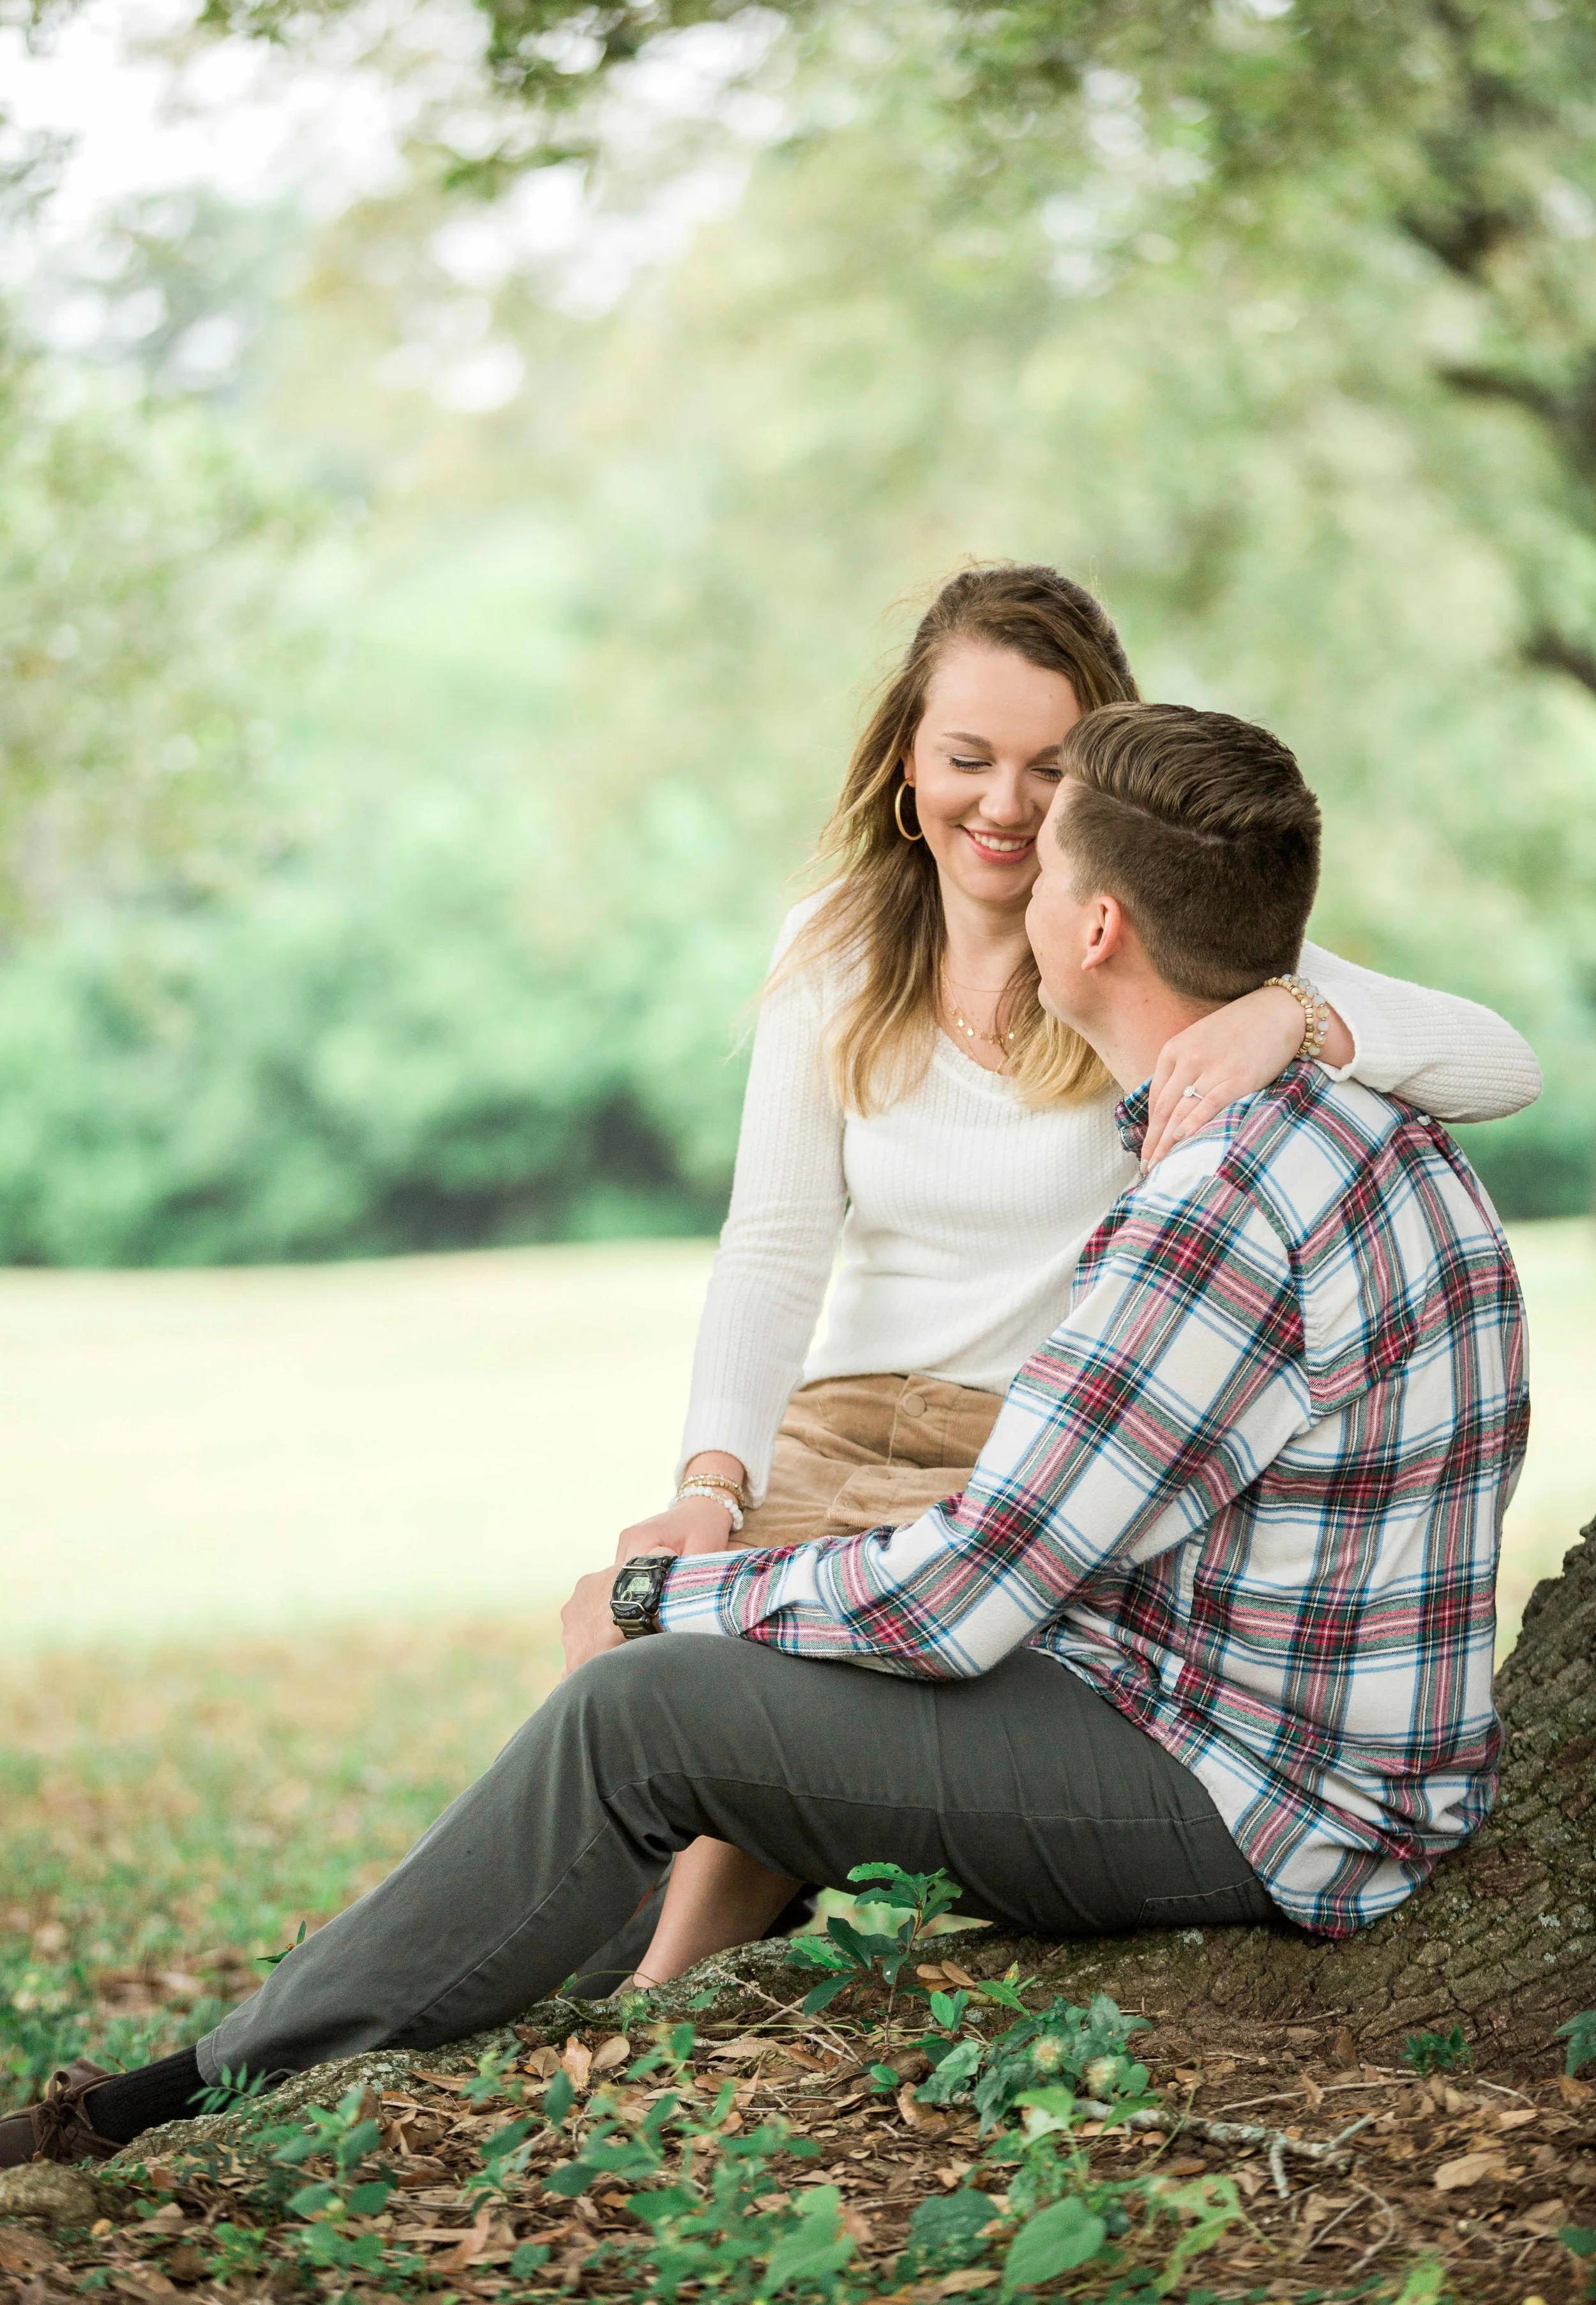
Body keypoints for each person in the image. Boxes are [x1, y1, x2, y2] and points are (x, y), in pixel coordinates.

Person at [2, 700, 1527, 2166]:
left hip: (1259, 1801)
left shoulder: (1201, 1211)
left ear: (1095, 928)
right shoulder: (1375, 1133)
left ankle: (200, 2088)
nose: (1020, 867)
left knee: (641, 1709)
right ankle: (453, 1994)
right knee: (712, 1682)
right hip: (1263, 1731)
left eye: (1050, 853)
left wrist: (655, 1593)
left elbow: (956, 1598)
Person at [609, 564, 1537, 1981]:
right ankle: (569, 1985)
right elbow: (774, 1242)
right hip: (842, 1416)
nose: (998, 805)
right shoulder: (833, 947)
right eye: (964, 758)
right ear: (904, 758)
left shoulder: (1152, 950)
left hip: (1019, 1447)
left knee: (766, 1675)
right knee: (647, 1664)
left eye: (1045, 770)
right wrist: (709, 1480)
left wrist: (1288, 1016)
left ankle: (650, 2002)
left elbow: (1500, 1060)